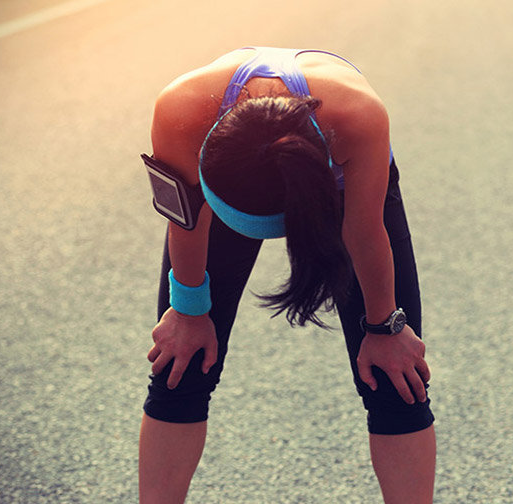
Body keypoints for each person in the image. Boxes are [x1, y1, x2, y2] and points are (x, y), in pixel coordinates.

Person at [138, 46, 436, 504]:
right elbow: (186, 220)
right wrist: (188, 310)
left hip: (334, 176)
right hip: (227, 164)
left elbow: (364, 232)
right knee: (180, 365)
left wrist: (386, 328)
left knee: (398, 379)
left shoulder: (357, 119)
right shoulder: (181, 110)